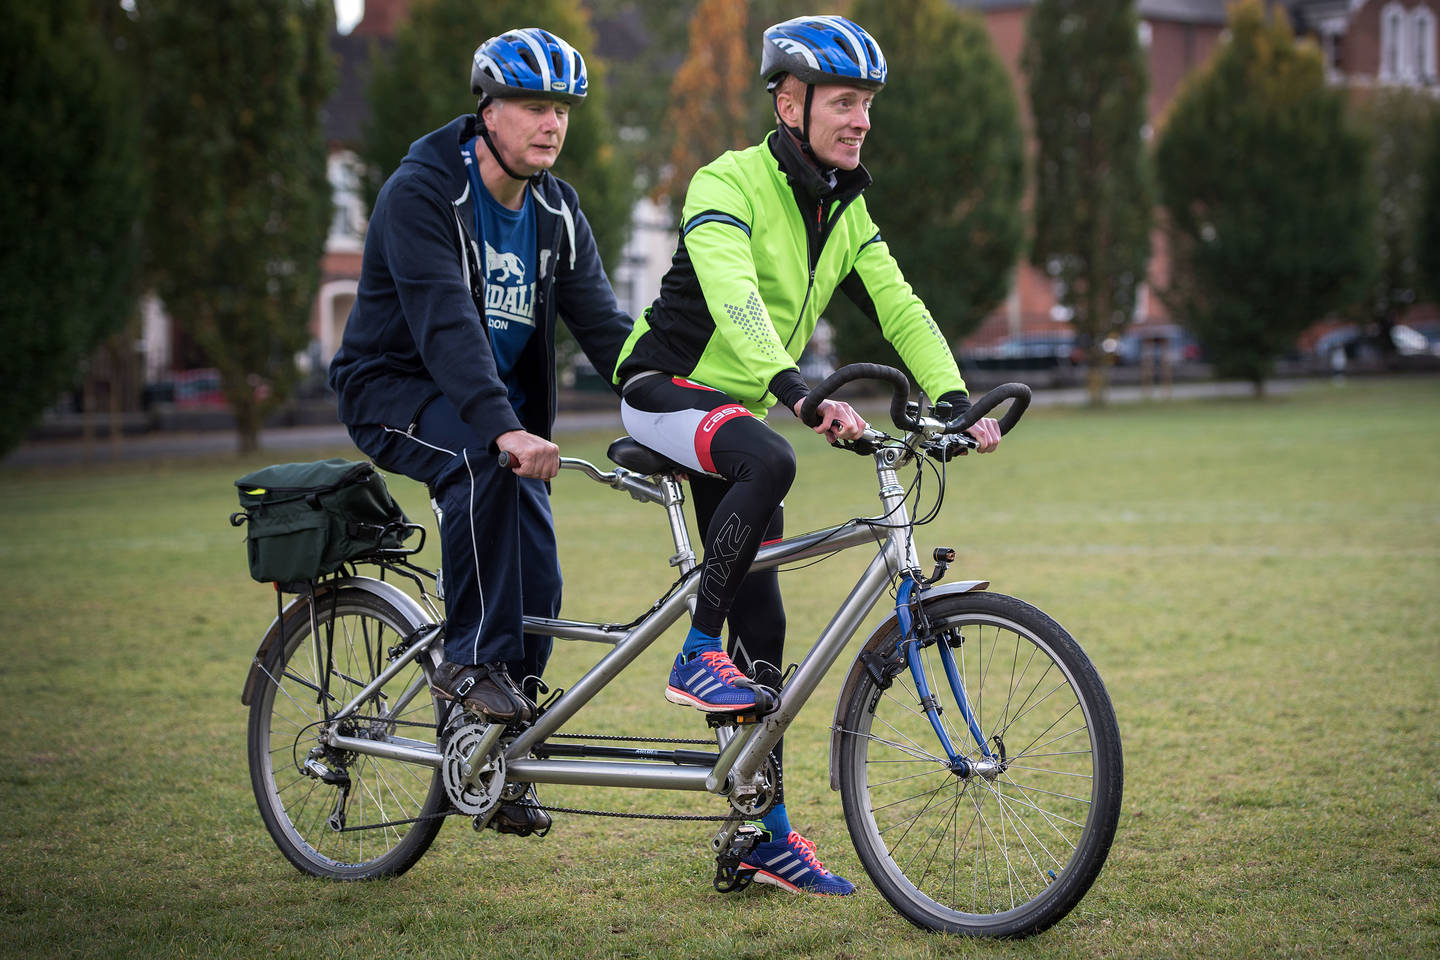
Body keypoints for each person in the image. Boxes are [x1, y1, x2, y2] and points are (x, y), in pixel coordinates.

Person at [612, 15, 1002, 895]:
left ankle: (764, 834)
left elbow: (897, 304)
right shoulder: (730, 182)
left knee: (769, 636)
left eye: (866, 104)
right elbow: (734, 295)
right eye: (842, 101)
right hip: (665, 393)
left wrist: (951, 397)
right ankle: (690, 652)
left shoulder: (847, 208)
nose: (859, 118)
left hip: (737, 415)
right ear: (790, 105)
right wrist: (795, 388)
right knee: (773, 460)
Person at [328, 28, 632, 833]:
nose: (552, 125)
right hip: (394, 388)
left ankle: (501, 754)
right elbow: (447, 327)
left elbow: (607, 332)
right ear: (489, 110)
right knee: (479, 465)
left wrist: (681, 402)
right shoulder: (423, 191)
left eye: (562, 110)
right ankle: (466, 669)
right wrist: (505, 429)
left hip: (489, 413)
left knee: (539, 572)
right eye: (535, 107)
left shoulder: (557, 210)